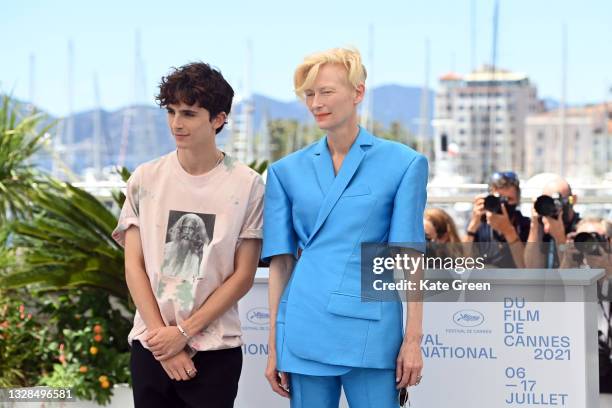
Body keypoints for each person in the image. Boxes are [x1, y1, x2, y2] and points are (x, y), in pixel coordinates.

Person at [262, 47, 428, 408]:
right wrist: (275, 343)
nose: (316, 102)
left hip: (372, 322)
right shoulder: (284, 171)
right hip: (304, 322)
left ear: (357, 93)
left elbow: (410, 255)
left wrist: (413, 338)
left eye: (326, 91)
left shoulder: (404, 163)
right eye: (309, 94)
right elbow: (281, 263)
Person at [112, 62, 264, 408]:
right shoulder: (145, 179)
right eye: (171, 111)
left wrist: (182, 333)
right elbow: (133, 265)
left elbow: (243, 276)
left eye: (190, 114)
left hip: (216, 349)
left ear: (218, 119)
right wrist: (163, 343)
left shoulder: (247, 185)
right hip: (151, 344)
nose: (177, 123)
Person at [559, 218, 612, 393]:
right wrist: (566, 264)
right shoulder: (575, 276)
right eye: (584, 239)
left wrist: (608, 271)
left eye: (596, 238)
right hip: (577, 378)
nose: (590, 246)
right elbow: (550, 316)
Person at [464, 171, 529, 268]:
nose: (503, 206)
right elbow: (463, 263)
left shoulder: (525, 225)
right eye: (499, 200)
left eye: (508, 200)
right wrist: (473, 227)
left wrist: (509, 232)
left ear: (517, 198)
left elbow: (526, 267)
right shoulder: (480, 225)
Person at [525, 176, 581, 268]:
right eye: (549, 202)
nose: (554, 207)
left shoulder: (580, 229)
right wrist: (535, 226)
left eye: (559, 201)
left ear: (573, 199)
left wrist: (559, 238)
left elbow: (571, 274)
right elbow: (531, 268)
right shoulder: (539, 227)